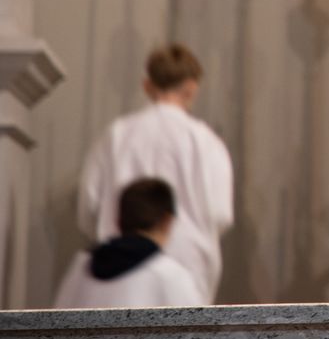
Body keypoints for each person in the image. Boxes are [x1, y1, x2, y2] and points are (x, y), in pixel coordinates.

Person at [77, 44, 234, 303]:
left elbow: (89, 206)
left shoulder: (116, 135)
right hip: (187, 267)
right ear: (191, 88)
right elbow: (220, 214)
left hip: (121, 270)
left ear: (147, 85)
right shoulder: (206, 142)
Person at [55, 177, 204, 308]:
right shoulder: (170, 275)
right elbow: (198, 329)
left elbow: (56, 321)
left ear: (118, 221)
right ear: (168, 221)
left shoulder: (83, 265)